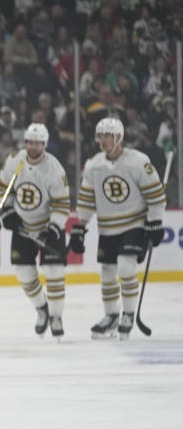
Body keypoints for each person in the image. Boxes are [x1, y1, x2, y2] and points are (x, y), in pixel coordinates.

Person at [70, 117, 166, 339]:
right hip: (107, 228)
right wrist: (80, 227)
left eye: (108, 136)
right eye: (100, 136)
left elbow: (155, 194)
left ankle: (128, 314)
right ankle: (111, 315)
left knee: (125, 267)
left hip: (134, 224)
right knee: (107, 273)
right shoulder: (94, 165)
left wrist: (155, 221)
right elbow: (86, 199)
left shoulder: (138, 161)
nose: (103, 140)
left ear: (119, 138)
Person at [0, 123, 71, 339]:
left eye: (37, 143)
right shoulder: (14, 161)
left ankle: (56, 316)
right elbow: (4, 189)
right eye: (29, 142)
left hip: (48, 227)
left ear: (44, 144)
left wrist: (54, 227)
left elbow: (62, 204)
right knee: (24, 273)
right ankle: (42, 309)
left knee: (54, 273)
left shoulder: (54, 169)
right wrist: (7, 210)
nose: (33, 146)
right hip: (22, 227)